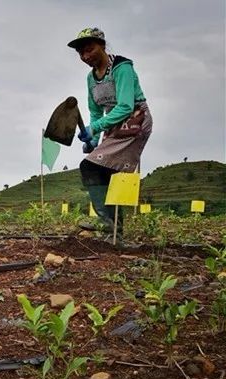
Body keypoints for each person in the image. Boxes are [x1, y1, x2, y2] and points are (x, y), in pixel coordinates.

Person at [68, 27, 153, 240]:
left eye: (90, 50)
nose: (86, 56)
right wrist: (93, 139)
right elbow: (95, 110)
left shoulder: (121, 67)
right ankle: (116, 231)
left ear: (102, 46)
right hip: (113, 123)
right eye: (81, 53)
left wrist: (95, 129)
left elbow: (125, 105)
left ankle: (106, 221)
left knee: (89, 166)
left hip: (135, 119)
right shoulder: (91, 78)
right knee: (107, 173)